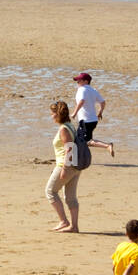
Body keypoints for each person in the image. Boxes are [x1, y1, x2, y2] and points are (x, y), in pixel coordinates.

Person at [45, 100, 80, 233]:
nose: (51, 116)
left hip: (66, 165)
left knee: (50, 191)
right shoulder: (70, 125)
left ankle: (64, 221)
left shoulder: (64, 129)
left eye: (52, 113)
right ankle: (74, 226)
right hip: (76, 166)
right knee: (70, 197)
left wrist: (65, 169)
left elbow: (69, 148)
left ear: (58, 114)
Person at [72, 72, 114, 157]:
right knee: (81, 140)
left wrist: (74, 113)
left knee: (85, 141)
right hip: (93, 120)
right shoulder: (93, 90)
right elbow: (103, 102)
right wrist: (100, 112)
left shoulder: (82, 89)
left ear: (86, 81)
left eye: (79, 80)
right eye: (77, 80)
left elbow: (82, 101)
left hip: (86, 121)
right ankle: (79, 157)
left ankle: (107, 145)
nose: (77, 82)